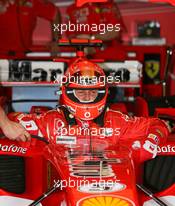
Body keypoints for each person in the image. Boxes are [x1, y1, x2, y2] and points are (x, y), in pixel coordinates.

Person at [0, 57, 169, 162]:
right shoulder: (48, 122)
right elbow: (9, 118)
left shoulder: (118, 121)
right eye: (81, 92)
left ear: (103, 92)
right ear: (69, 92)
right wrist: (6, 124)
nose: (87, 97)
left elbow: (159, 124)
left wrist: (152, 141)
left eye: (93, 91)